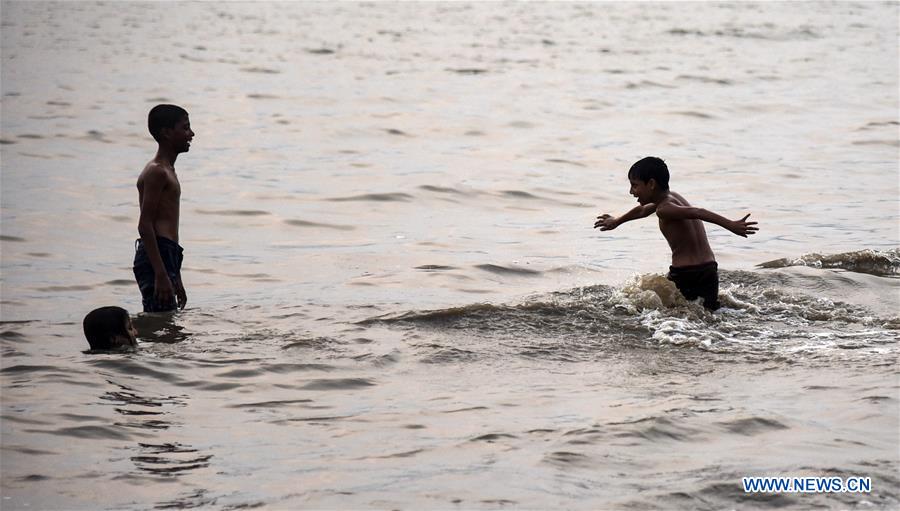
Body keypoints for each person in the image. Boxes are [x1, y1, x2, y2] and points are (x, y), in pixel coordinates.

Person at [593, 156, 758, 310]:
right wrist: (617, 221)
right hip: (709, 271)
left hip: (686, 274)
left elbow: (698, 211)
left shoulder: (665, 209)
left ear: (651, 184)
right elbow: (642, 211)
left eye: (635, 185)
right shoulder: (671, 199)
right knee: (706, 313)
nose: (631, 191)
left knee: (645, 308)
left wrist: (730, 225)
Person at [134, 104, 194, 312]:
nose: (191, 134)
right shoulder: (157, 171)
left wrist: (176, 276)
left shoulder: (168, 170)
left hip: (167, 253)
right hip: (156, 253)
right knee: (160, 319)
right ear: (167, 133)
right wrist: (160, 274)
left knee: (167, 323)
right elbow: (145, 225)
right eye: (185, 128)